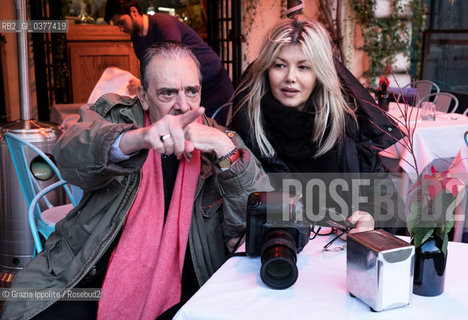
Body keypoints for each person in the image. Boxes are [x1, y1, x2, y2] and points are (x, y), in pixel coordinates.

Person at [2, 42, 271, 320]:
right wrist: (136, 139)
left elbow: (262, 221)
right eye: (168, 93)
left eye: (191, 91)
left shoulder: (220, 140)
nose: (183, 105)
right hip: (89, 277)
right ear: (143, 96)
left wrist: (225, 152)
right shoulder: (115, 115)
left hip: (188, 287)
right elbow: (70, 155)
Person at [229, 17, 405, 236]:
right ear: (266, 70)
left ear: (319, 74)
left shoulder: (347, 125)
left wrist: (371, 216)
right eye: (280, 65)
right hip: (273, 254)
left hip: (338, 258)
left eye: (303, 67)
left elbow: (387, 200)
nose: (290, 77)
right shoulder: (247, 128)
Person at [104, 0, 234, 126]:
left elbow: (174, 64)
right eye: (117, 25)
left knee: (217, 127)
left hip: (213, 82)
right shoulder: (137, 39)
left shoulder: (163, 24)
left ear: (134, 12)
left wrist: (146, 85)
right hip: (183, 89)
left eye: (121, 22)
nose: (120, 29)